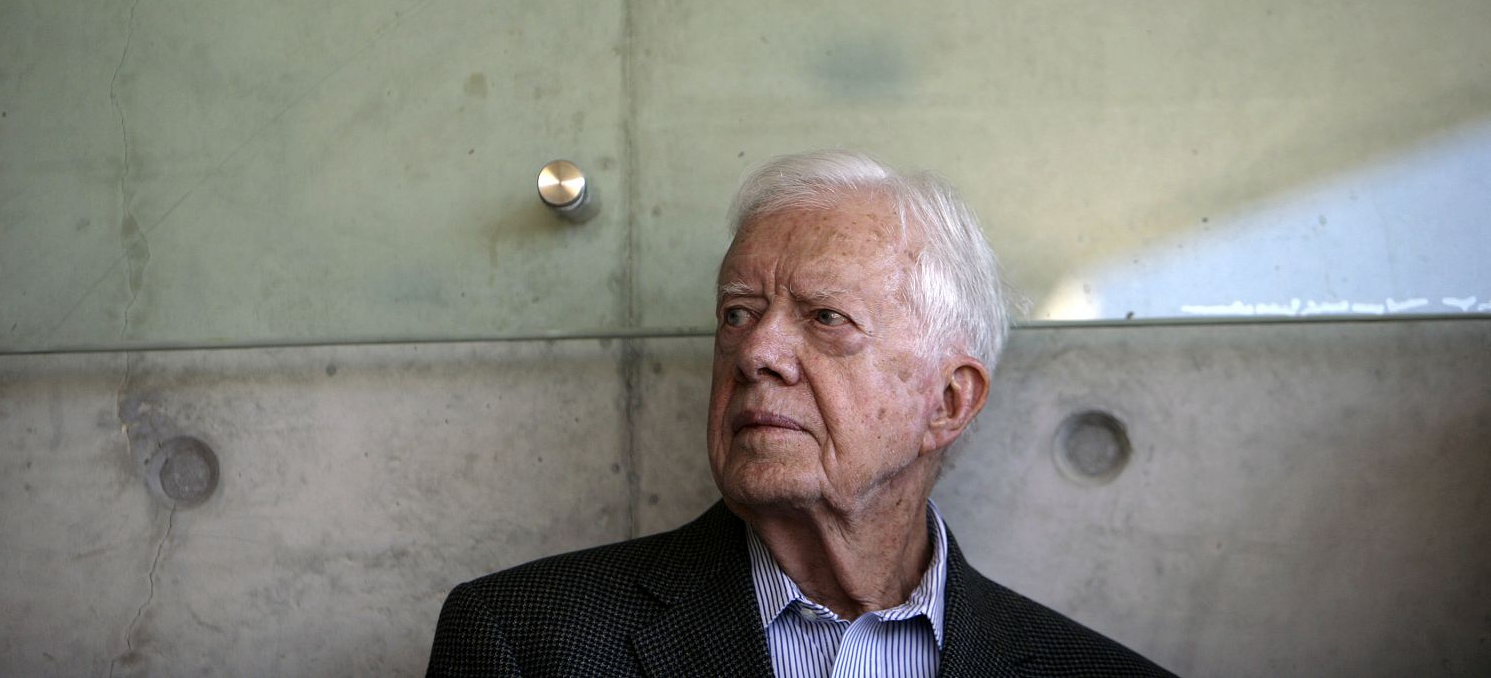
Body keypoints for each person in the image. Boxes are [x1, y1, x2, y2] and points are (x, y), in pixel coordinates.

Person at [427, 150, 1175, 677]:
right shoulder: (526, 643)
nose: (756, 351)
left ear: (947, 402)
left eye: (824, 317)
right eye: (736, 313)